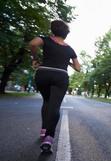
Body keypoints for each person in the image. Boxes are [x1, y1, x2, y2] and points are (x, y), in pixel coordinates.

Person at [29, 20, 81, 153]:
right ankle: (48, 138)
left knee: (46, 101)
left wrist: (34, 59)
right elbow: (78, 68)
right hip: (60, 77)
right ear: (66, 34)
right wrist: (68, 62)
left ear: (53, 30)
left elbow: (33, 43)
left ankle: (43, 130)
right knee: (55, 106)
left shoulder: (45, 40)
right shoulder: (69, 49)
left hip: (43, 74)